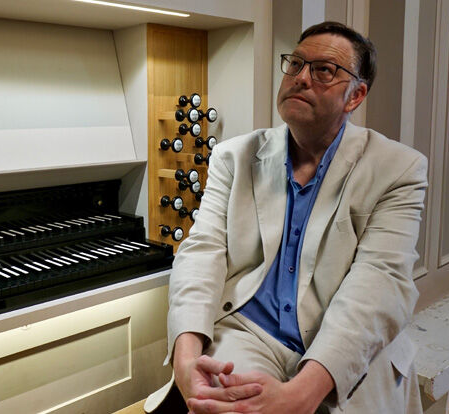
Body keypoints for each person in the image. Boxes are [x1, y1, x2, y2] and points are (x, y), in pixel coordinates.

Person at [145, 21, 427, 414]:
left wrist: (300, 396)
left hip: (344, 335)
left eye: (324, 70)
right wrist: (186, 360)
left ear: (355, 95)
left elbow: (379, 283)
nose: (301, 78)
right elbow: (202, 252)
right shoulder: (233, 156)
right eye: (295, 64)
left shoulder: (398, 168)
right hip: (251, 331)